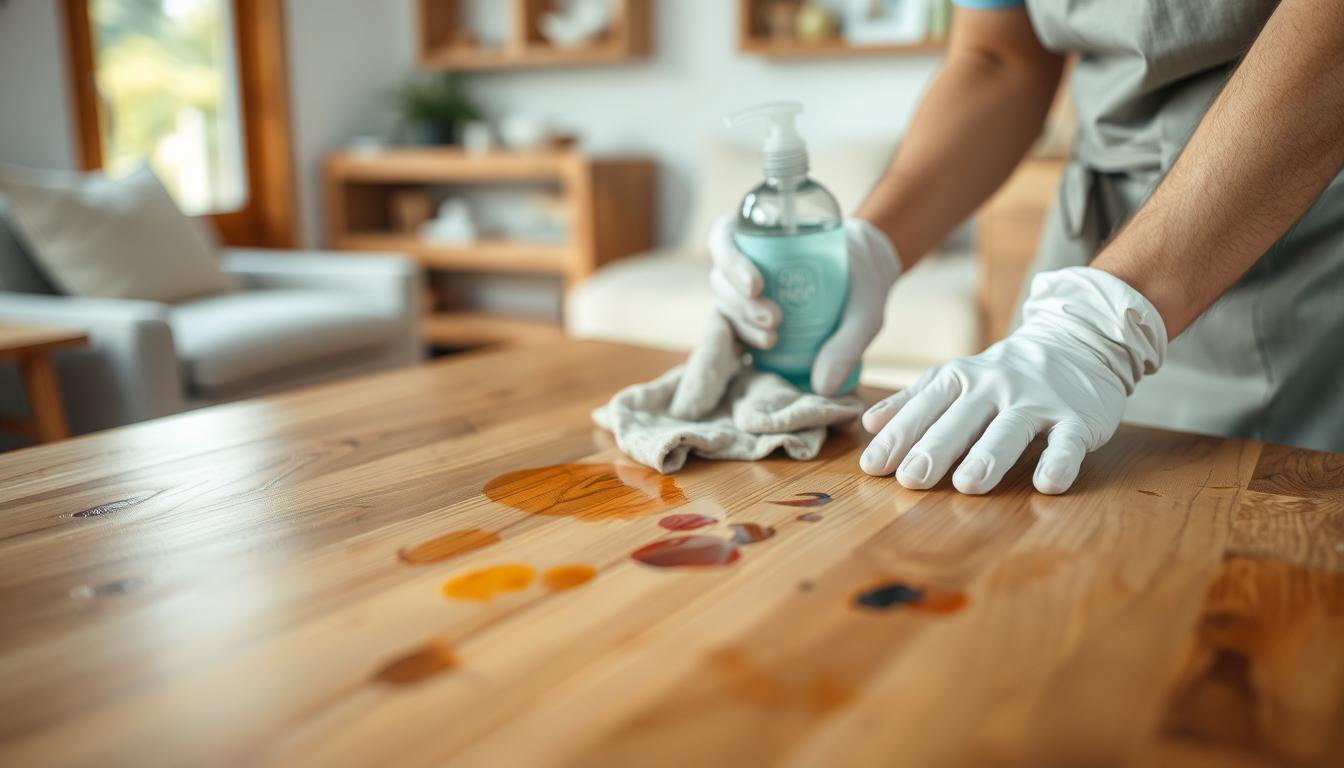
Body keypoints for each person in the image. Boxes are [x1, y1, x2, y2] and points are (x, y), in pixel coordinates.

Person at [710, 0, 1344, 495]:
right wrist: (873, 242)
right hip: (1089, 238)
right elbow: (998, 57)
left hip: (1282, 217)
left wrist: (1098, 329)